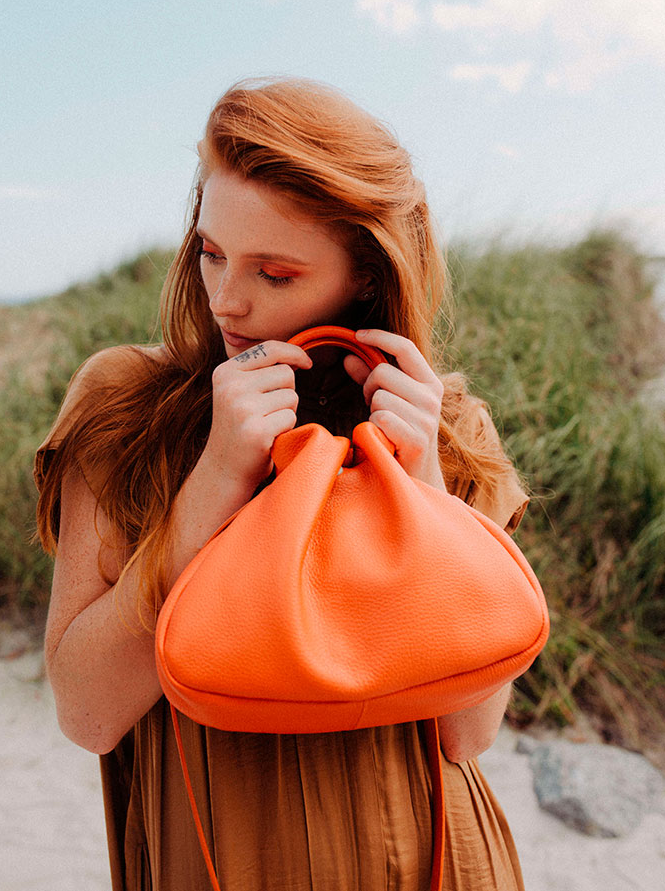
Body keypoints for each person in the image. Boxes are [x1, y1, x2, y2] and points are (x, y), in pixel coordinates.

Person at [35, 77, 529, 891]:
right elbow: (87, 713)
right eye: (211, 252)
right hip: (217, 856)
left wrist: (426, 486)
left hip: (434, 858)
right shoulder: (124, 405)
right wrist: (215, 479)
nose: (228, 299)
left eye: (277, 272)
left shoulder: (447, 425)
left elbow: (468, 732)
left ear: (366, 276)